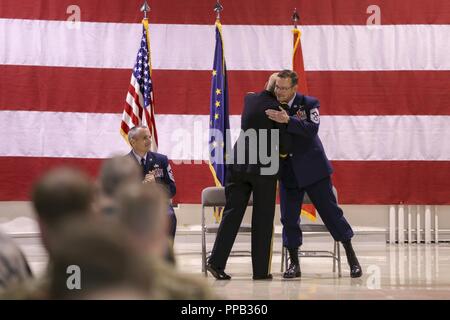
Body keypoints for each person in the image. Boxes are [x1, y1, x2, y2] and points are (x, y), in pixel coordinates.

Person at [266, 70, 362, 278]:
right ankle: (294, 263)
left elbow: (311, 130)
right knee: (289, 219)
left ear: (294, 88)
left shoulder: (308, 103)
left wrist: (288, 121)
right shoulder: (271, 104)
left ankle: (351, 257)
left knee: (331, 214)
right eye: (277, 87)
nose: (279, 91)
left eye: (283, 88)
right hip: (288, 173)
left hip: (314, 170)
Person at [206, 73, 291, 280]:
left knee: (231, 214)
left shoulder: (249, 99)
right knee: (262, 220)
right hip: (264, 168)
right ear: (277, 88)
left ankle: (216, 262)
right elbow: (285, 145)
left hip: (238, 165)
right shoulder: (280, 110)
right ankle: (260, 271)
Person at [126, 126, 177, 240]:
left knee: (169, 215)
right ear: (133, 142)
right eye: (144, 138)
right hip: (135, 205)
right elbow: (118, 192)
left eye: (149, 137)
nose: (149, 141)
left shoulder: (161, 160)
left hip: (158, 203)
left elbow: (172, 189)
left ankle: (166, 254)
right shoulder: (124, 163)